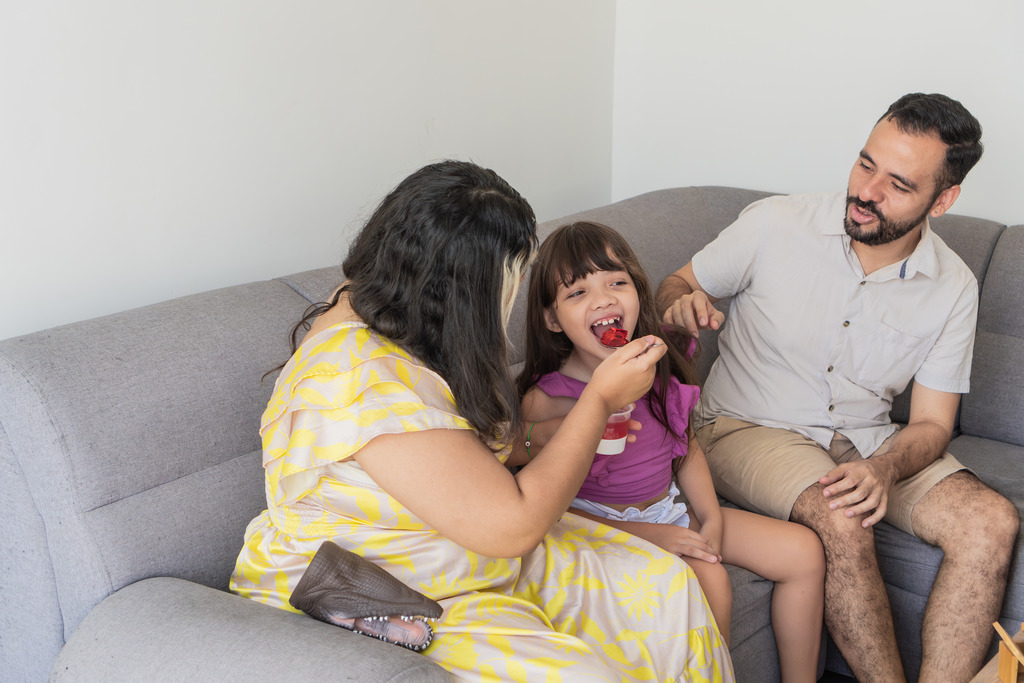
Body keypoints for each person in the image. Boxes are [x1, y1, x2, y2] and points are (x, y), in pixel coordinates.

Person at [230, 160, 734, 681]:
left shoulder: (385, 308)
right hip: (386, 582)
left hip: (464, 548)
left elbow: (484, 450)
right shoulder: (361, 378)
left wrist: (557, 431)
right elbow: (512, 526)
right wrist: (597, 403)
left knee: (669, 587)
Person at [657, 93, 1019, 683]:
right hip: (744, 427)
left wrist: (884, 469)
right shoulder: (776, 223)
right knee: (840, 517)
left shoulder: (953, 286)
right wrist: (681, 302)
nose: (867, 191)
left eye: (899, 184)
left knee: (991, 523)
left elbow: (930, 423)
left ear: (943, 200)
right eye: (865, 163)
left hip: (865, 439)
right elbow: (673, 284)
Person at [515, 221, 824, 682]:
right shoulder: (550, 398)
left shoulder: (653, 368)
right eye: (577, 292)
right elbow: (547, 508)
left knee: (804, 551)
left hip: (667, 510)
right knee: (712, 580)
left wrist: (712, 515)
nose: (603, 298)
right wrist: (647, 534)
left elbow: (687, 448)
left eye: (616, 282)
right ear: (552, 319)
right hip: (595, 527)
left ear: (638, 294)